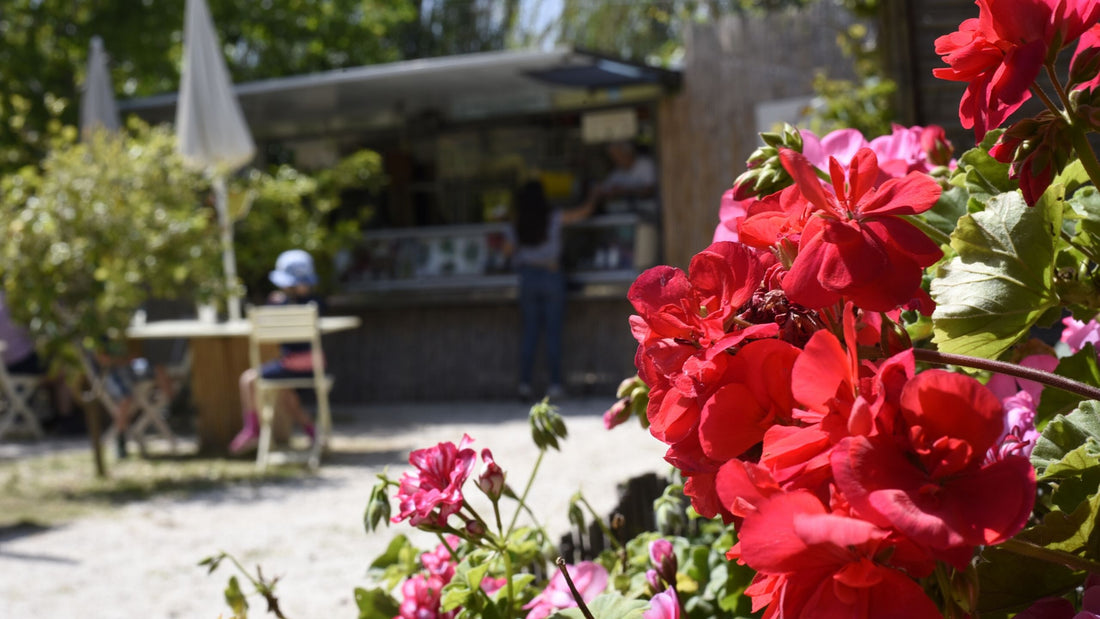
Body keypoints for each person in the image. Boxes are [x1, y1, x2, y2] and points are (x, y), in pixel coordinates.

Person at [505, 180, 594, 401]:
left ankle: (524, 385)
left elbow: (507, 251)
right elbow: (583, 213)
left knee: (530, 334)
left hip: (528, 278)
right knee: (553, 334)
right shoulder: (553, 217)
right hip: (552, 276)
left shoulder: (516, 223)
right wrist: (594, 194)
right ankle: (555, 385)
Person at [229, 249, 324, 455]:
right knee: (286, 393)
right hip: (314, 366)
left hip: (291, 365)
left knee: (248, 380)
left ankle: (252, 429)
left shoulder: (278, 304)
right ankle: (311, 431)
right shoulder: (317, 304)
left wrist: (277, 303)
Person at [579, 141, 658, 219]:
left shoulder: (645, 165)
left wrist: (624, 191)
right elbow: (603, 189)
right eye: (613, 157)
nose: (616, 160)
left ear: (628, 153)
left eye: (618, 155)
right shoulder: (617, 172)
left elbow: (651, 190)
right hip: (626, 216)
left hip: (650, 213)